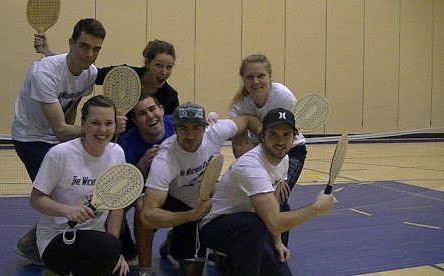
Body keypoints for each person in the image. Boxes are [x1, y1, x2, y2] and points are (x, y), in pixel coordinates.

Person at [12, 18, 106, 265]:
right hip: (30, 137)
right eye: (84, 46)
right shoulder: (42, 73)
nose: (89, 54)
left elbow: (71, 104)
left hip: (57, 135)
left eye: (96, 49)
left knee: (69, 193)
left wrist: (74, 142)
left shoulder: (90, 73)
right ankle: (37, 245)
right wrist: (101, 129)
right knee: (54, 196)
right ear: (71, 43)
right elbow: (61, 129)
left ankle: (32, 242)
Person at [200, 108, 336, 276]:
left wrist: (277, 242)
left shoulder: (284, 159)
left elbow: (274, 204)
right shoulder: (250, 166)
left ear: (294, 138)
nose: (280, 141)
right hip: (216, 227)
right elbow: (275, 222)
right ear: (262, 136)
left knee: (282, 207)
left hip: (252, 226)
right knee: (253, 225)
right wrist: (315, 208)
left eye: (286, 134)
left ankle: (236, 262)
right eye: (274, 134)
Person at [136, 102, 262, 276]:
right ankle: (145, 269)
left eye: (196, 128)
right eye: (183, 129)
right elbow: (148, 215)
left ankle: (177, 242)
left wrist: (263, 135)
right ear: (175, 129)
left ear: (205, 128)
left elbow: (248, 120)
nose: (190, 135)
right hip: (173, 200)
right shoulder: (165, 158)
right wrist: (190, 216)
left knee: (193, 271)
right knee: (142, 205)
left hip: (202, 202)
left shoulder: (216, 132)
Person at [30, 95, 129, 275]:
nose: (102, 130)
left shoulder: (117, 153)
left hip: (97, 238)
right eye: (95, 123)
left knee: (116, 266)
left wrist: (115, 251)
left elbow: (116, 204)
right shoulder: (60, 154)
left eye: (109, 123)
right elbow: (36, 199)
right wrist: (68, 211)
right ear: (83, 125)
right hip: (58, 237)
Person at [229, 53, 307, 246]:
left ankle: (278, 249)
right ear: (243, 79)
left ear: (270, 76)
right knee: (257, 201)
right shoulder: (239, 107)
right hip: (260, 155)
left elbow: (289, 136)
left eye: (261, 76)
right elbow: (239, 150)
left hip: (290, 152)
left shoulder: (283, 96)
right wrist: (260, 146)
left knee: (278, 199)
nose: (255, 81)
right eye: (249, 77)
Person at [34, 35, 179, 131]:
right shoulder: (124, 75)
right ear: (147, 63)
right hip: (110, 140)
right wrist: (47, 52)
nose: (164, 72)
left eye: (169, 66)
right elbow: (85, 71)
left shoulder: (170, 97)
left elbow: (168, 130)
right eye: (159, 65)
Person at [116, 94, 176, 266]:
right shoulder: (126, 144)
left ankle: (179, 240)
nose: (150, 116)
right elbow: (123, 195)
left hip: (181, 188)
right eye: (142, 113)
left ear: (162, 110)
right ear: (135, 121)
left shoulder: (179, 125)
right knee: (139, 210)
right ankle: (143, 266)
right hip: (149, 194)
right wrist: (140, 168)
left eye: (152, 109)